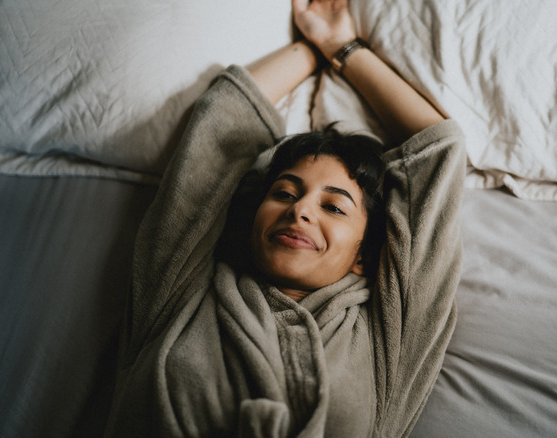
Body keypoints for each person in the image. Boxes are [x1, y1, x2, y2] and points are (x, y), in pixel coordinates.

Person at [104, 0, 465, 436]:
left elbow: (438, 152)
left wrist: (341, 47)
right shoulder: (180, 291)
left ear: (362, 257)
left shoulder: (385, 341)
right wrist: (310, 47)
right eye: (284, 193)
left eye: (333, 207)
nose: (300, 209)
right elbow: (220, 124)